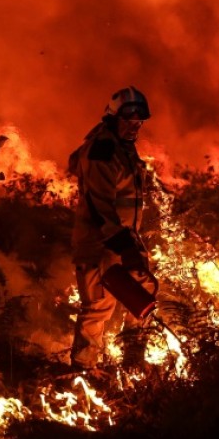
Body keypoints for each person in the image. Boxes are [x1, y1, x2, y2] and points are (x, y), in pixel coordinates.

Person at [68, 86, 158, 371]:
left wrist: (131, 245)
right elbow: (99, 206)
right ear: (112, 117)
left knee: (144, 293)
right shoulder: (102, 150)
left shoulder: (123, 148)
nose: (135, 125)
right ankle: (83, 372)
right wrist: (124, 248)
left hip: (124, 242)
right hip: (100, 245)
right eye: (129, 119)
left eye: (139, 120)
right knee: (97, 308)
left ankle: (133, 360)